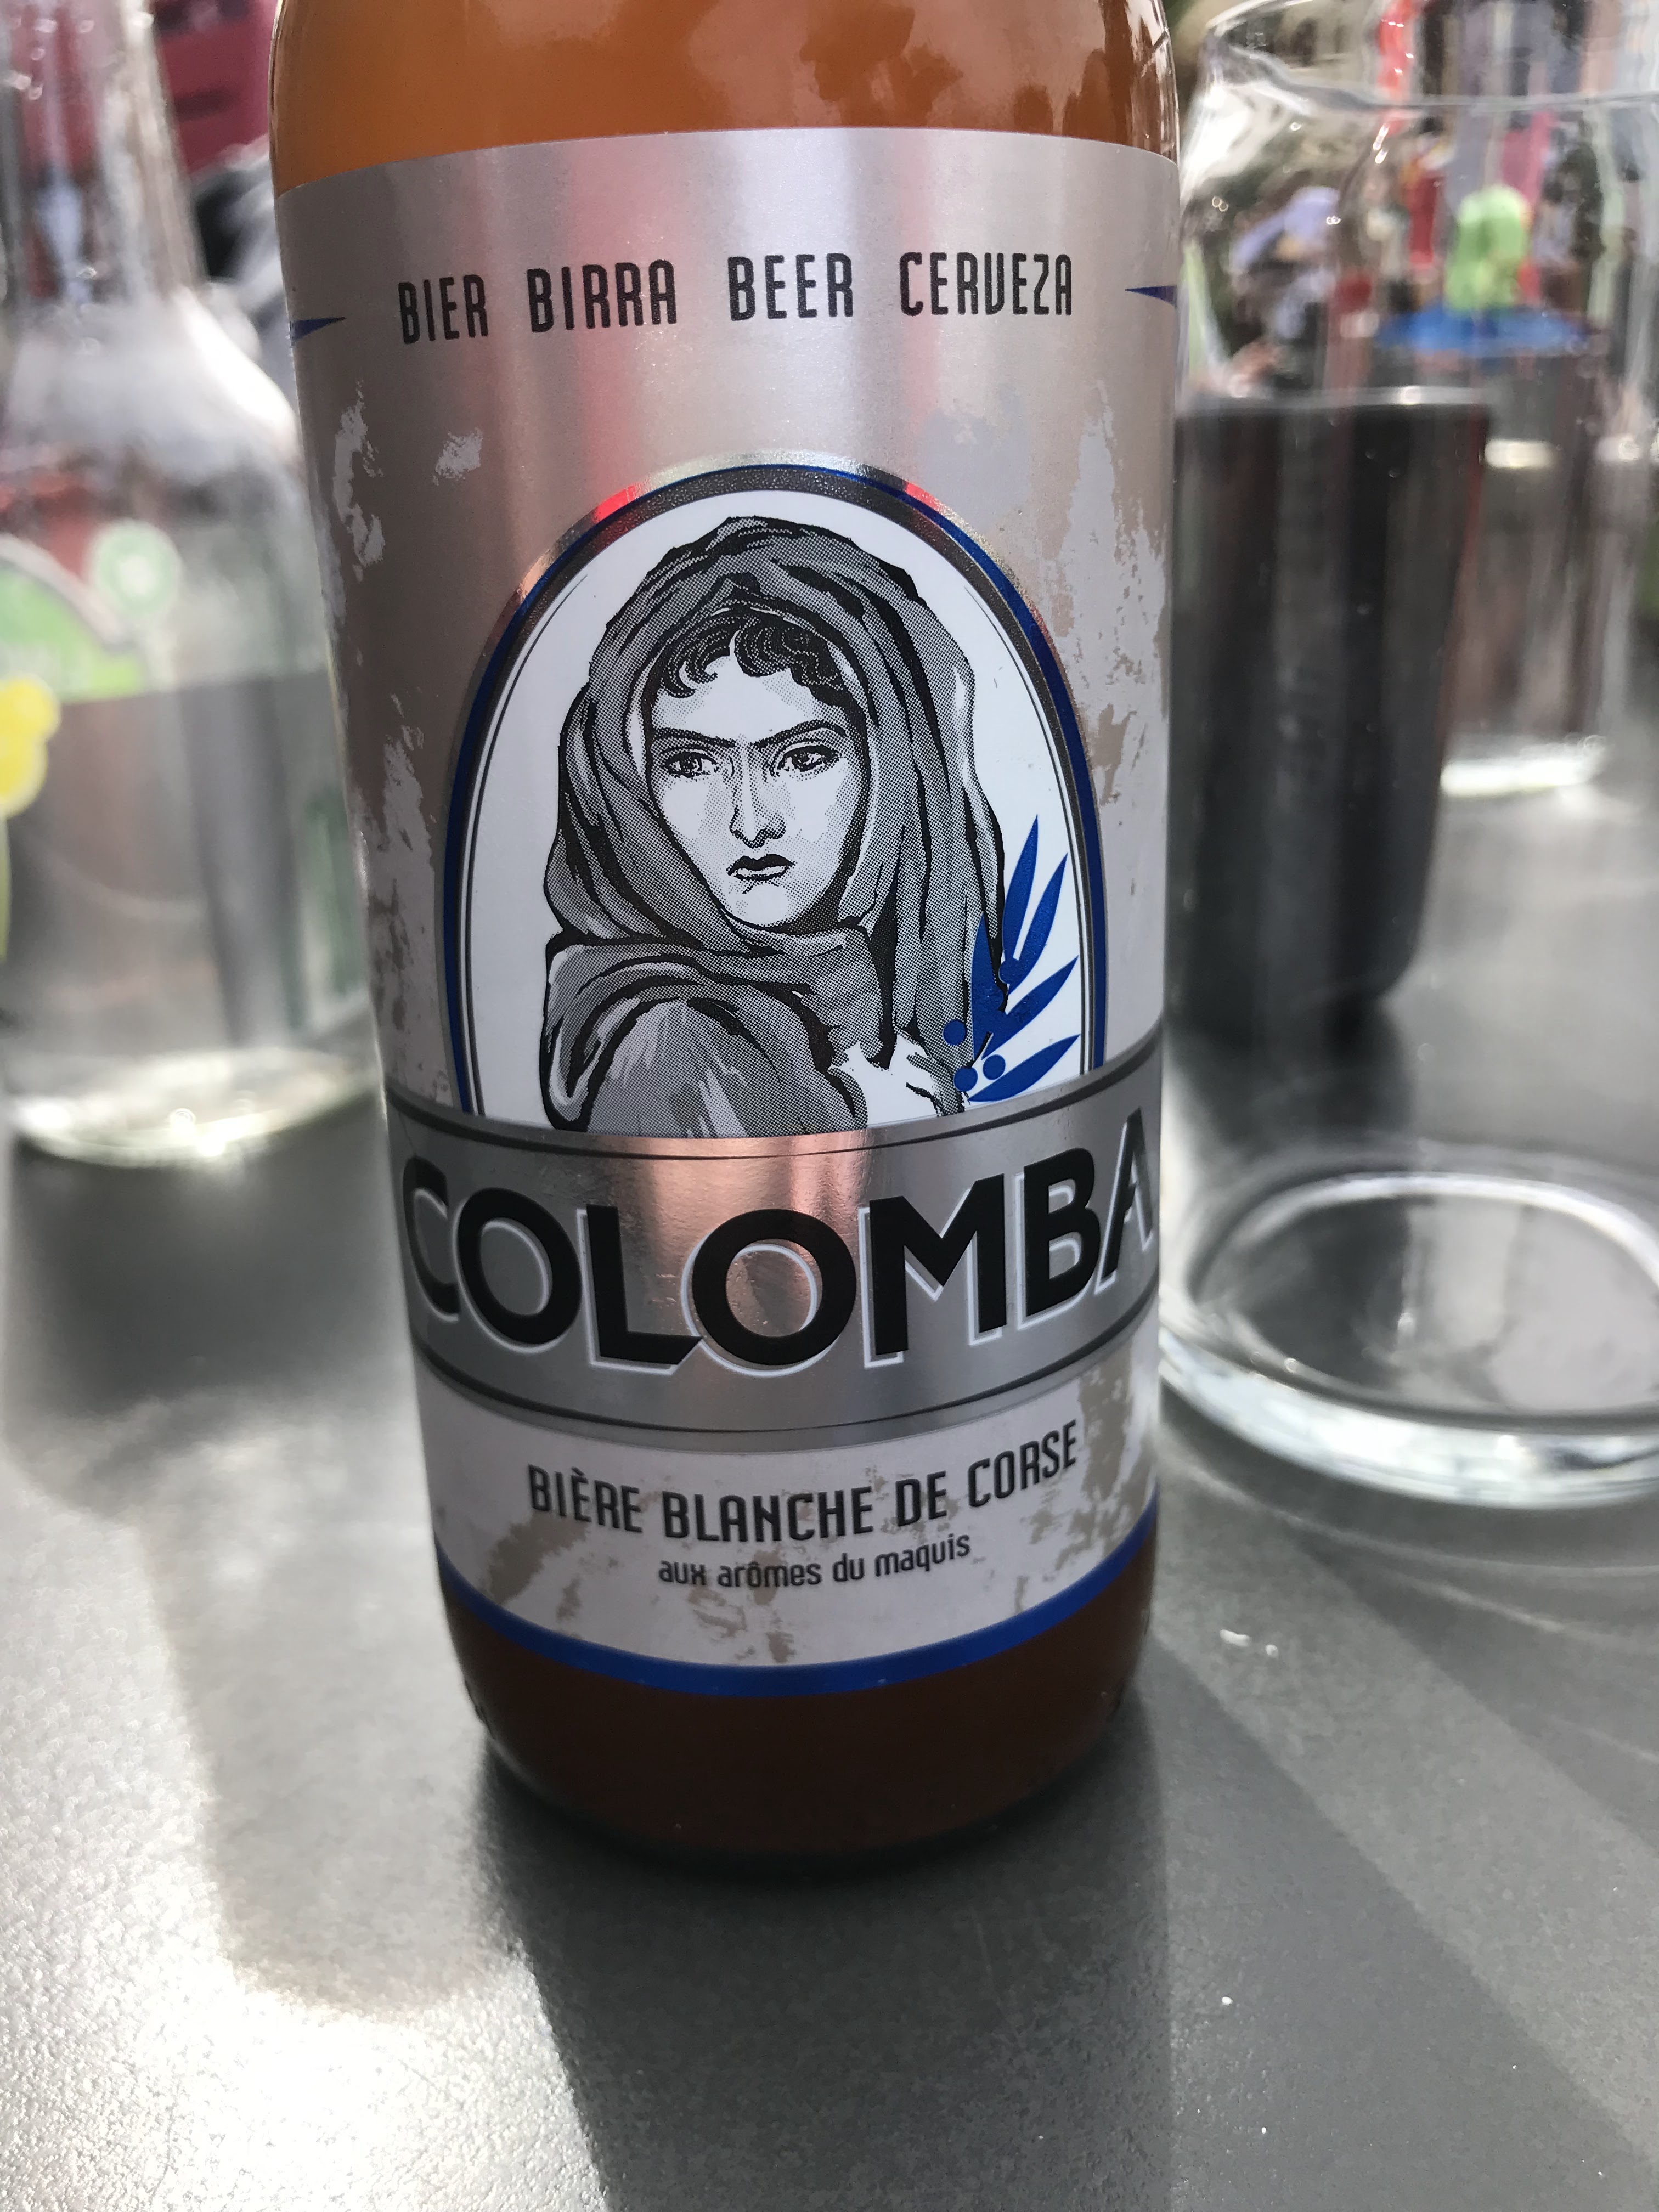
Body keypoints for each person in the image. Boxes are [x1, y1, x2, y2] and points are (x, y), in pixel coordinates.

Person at [539, 512, 1004, 1135]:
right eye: (693, 764)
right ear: (629, 783)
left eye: (803, 759)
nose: (751, 822)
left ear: (891, 768)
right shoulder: (674, 1046)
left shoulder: (859, 994)